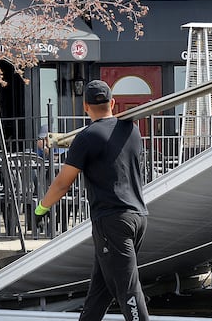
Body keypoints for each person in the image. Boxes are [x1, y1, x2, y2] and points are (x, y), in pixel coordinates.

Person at [35, 80, 149, 321]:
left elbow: (63, 183)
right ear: (113, 102)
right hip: (138, 217)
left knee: (128, 289)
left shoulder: (86, 138)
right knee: (101, 289)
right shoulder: (132, 130)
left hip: (112, 220)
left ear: (85, 106)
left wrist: (41, 208)